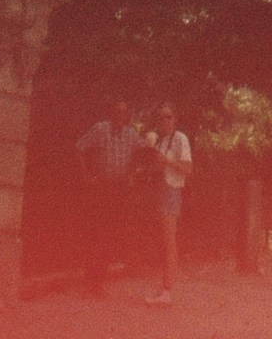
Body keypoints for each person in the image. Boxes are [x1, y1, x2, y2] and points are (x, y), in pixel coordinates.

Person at [76, 97, 144, 296]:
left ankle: (98, 282)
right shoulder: (100, 129)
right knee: (97, 233)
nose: (120, 116)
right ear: (111, 113)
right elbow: (79, 148)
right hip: (102, 188)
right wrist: (87, 176)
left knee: (110, 235)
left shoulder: (131, 135)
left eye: (124, 113)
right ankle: (91, 282)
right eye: (117, 112)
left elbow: (146, 152)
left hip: (120, 189)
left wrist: (135, 172)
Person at [148, 104, 193, 305]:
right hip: (159, 191)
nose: (165, 121)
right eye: (161, 118)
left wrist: (166, 161)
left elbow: (188, 168)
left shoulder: (180, 139)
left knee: (169, 240)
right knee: (162, 240)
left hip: (172, 191)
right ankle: (164, 285)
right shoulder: (160, 141)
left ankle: (167, 289)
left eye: (169, 117)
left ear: (175, 119)